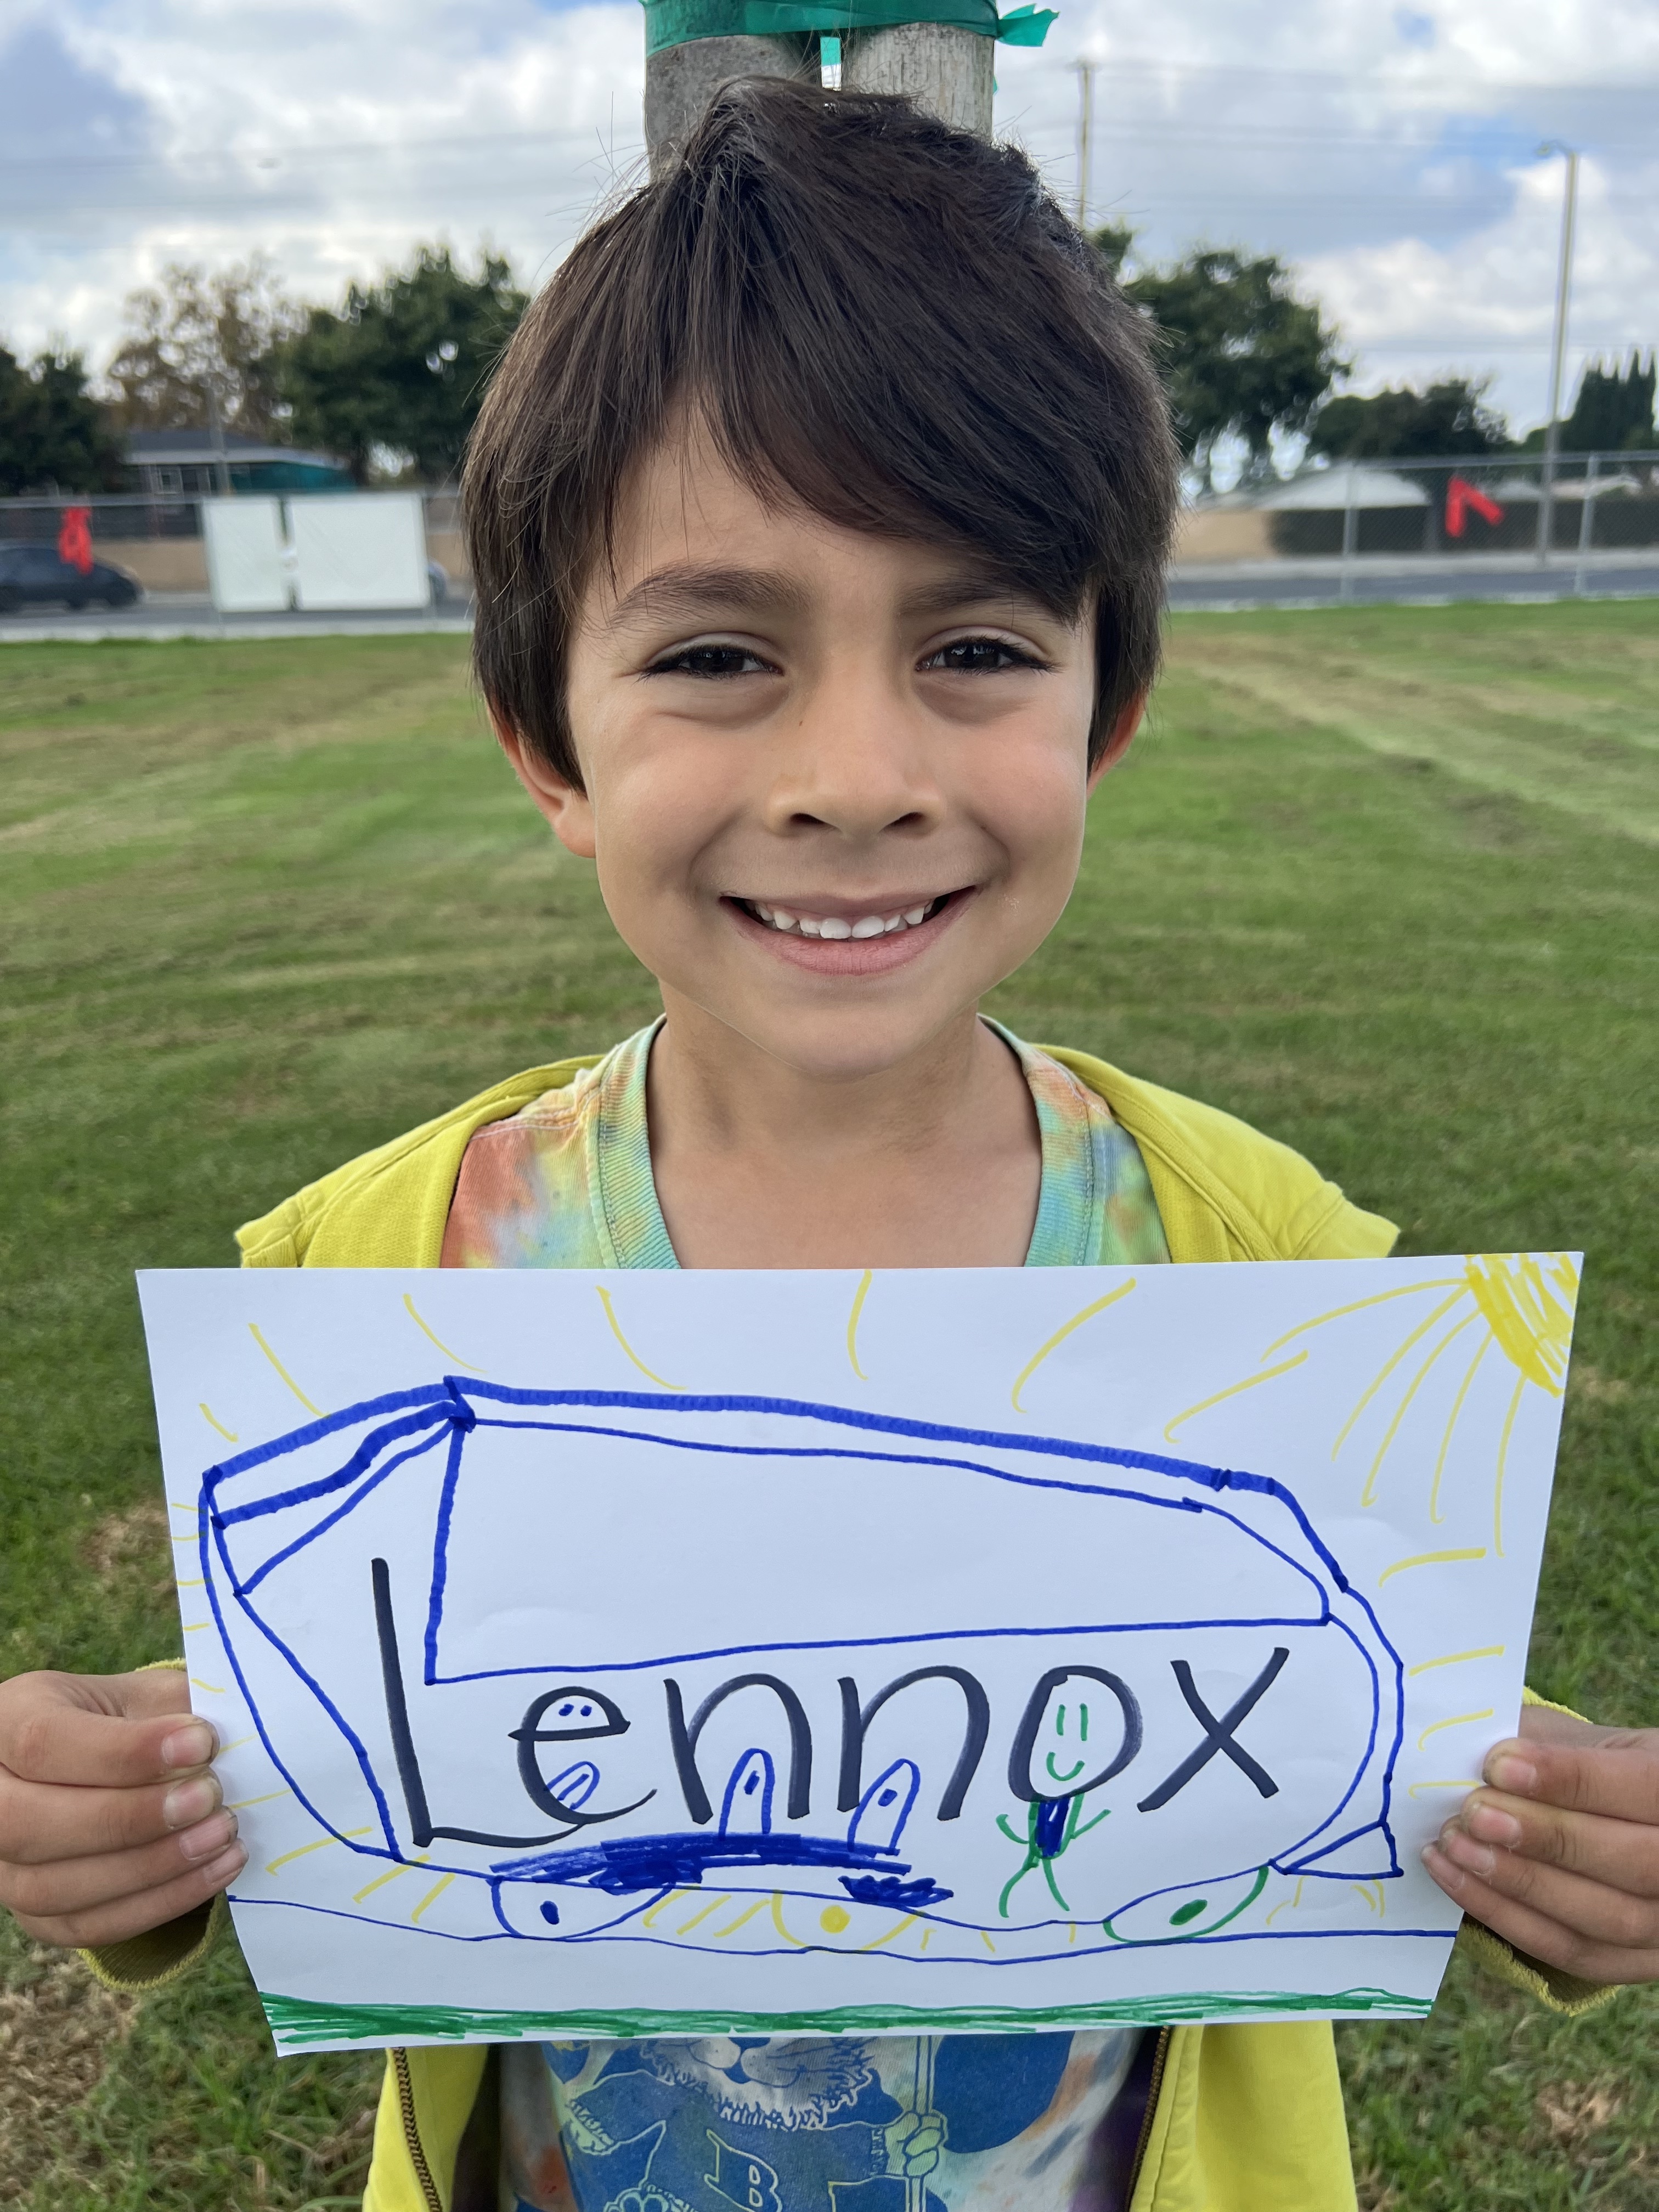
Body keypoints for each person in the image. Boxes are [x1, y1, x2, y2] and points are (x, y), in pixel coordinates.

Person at [1, 80, 1655, 2212]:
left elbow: (1361, 1725)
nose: (859, 773)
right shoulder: (391, 1265)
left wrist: (1562, 1846)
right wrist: (132, 1806)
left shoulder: (1264, 1258)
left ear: (1104, 715)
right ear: (547, 743)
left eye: (975, 649)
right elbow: (340, 1713)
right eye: (718, 655)